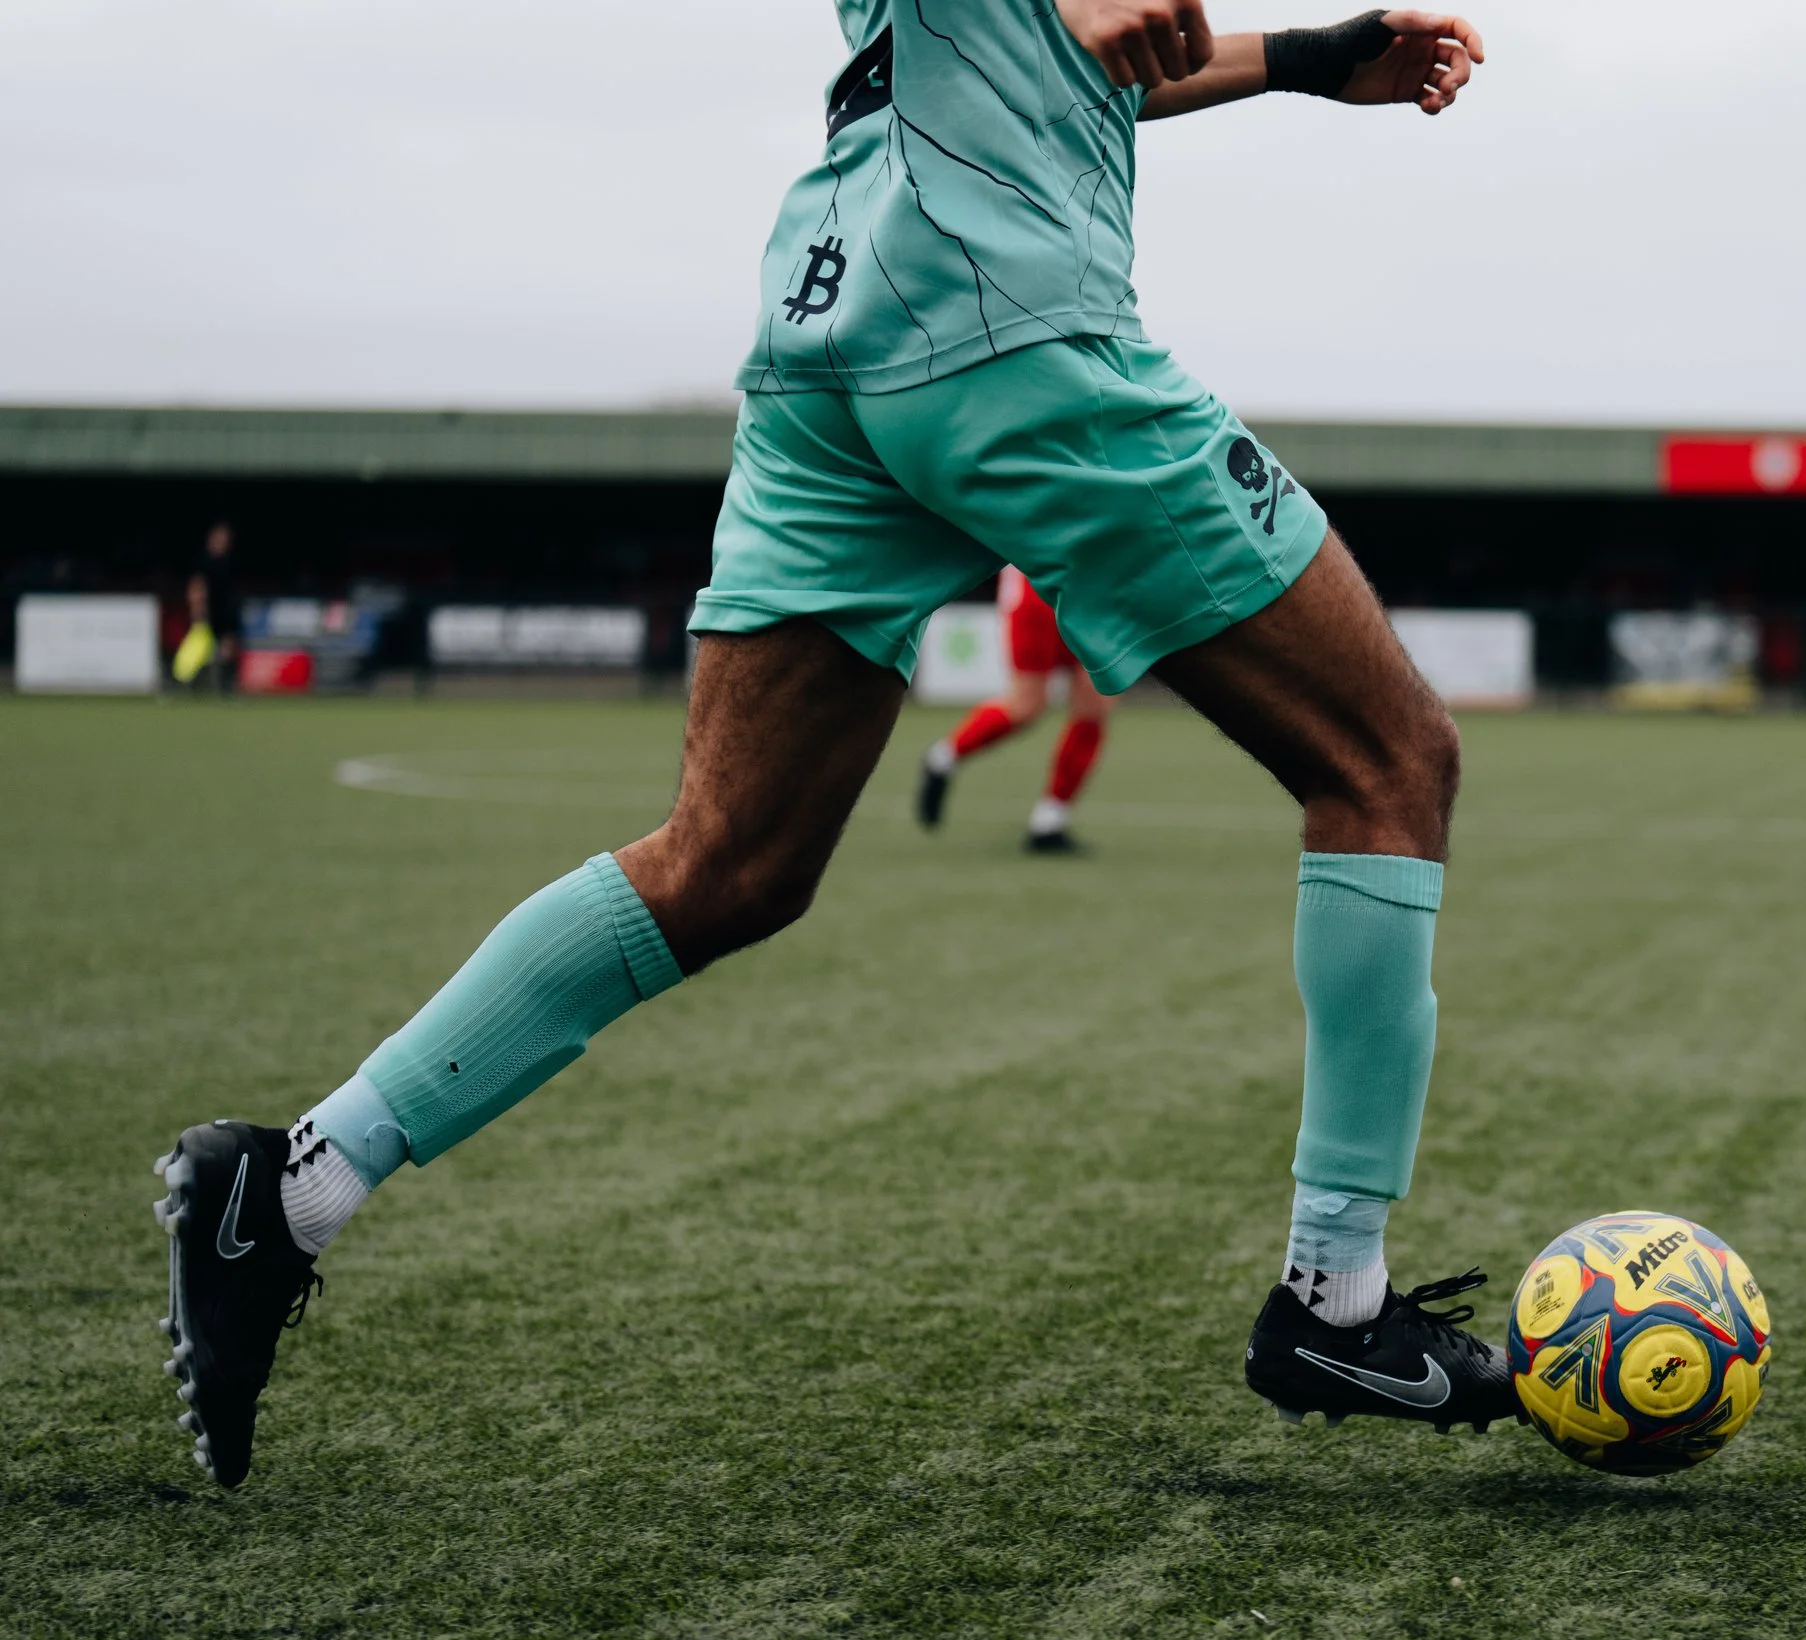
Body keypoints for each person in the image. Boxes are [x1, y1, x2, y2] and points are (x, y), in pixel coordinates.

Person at [151, 0, 1507, 1489]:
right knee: (1390, 761)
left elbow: (1064, 60)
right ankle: (1338, 1293)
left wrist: (1309, 61)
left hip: (839, 319)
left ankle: (291, 1187)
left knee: (726, 862)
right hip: (1006, 321)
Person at [916, 567, 1115, 852]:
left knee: (1095, 703)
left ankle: (1049, 822)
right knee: (1027, 705)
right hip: (1036, 588)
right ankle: (943, 757)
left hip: (1083, 593)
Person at [183, 522, 243, 693]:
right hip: (208, 613)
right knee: (200, 651)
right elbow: (196, 585)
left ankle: (224, 687)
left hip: (226, 612)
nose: (223, 542)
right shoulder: (203, 560)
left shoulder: (230, 560)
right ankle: (192, 686)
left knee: (227, 649)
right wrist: (197, 607)